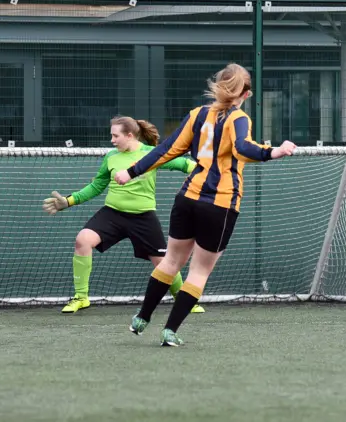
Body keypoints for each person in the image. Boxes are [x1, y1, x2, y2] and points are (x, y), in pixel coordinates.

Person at [114, 63, 296, 346]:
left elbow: (166, 150)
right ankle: (170, 331)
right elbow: (243, 148)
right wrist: (276, 151)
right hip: (220, 204)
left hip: (187, 198)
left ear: (219, 85)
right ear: (245, 93)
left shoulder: (198, 115)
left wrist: (132, 171)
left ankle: (142, 317)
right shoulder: (238, 117)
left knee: (172, 261)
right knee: (199, 271)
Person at [43, 115, 205, 315]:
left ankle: (184, 300)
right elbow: (96, 186)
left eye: (115, 136)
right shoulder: (111, 157)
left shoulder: (152, 154)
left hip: (143, 217)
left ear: (129, 135)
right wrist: (68, 201)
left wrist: (204, 173)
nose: (112, 140)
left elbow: (183, 164)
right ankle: (81, 297)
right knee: (82, 240)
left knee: (164, 263)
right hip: (112, 214)